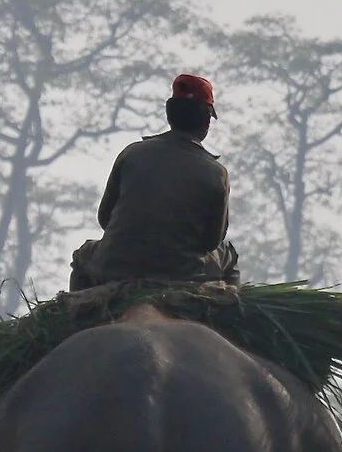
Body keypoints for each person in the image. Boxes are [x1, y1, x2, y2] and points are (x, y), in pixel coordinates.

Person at [69, 74, 239, 290]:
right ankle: (232, 318)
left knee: (83, 255)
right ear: (206, 121)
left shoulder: (132, 154)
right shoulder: (217, 173)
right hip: (184, 274)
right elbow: (211, 242)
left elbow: (105, 218)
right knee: (229, 257)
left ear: (170, 114)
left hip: (113, 266)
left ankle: (76, 317)